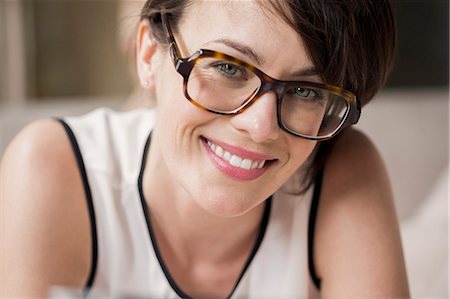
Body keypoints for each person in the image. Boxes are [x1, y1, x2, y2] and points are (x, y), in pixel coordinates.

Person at [0, 0, 410, 298]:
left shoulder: (341, 170)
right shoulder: (55, 168)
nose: (259, 125)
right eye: (227, 66)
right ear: (148, 54)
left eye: (305, 90)